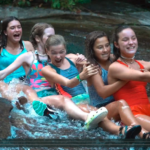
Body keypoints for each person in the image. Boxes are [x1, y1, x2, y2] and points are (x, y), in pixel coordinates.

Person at [40, 34, 142, 138]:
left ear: (65, 49)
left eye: (61, 52)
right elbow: (68, 83)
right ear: (47, 51)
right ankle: (121, 131)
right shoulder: (47, 70)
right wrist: (82, 75)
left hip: (89, 101)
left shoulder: (71, 58)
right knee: (97, 114)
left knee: (121, 104)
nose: (58, 56)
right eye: (54, 53)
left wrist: (88, 65)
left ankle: (140, 132)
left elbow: (93, 62)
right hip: (73, 105)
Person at [84, 30, 150, 139]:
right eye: (100, 47)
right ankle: (142, 133)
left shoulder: (112, 59)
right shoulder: (93, 67)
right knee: (121, 103)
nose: (105, 50)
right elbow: (103, 93)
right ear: (92, 50)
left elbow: (129, 60)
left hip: (121, 106)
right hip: (103, 108)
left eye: (106, 46)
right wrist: (124, 79)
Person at [107, 25, 150, 139]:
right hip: (132, 114)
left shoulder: (142, 64)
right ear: (116, 44)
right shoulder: (115, 67)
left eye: (133, 38)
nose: (131, 42)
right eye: (125, 40)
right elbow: (142, 77)